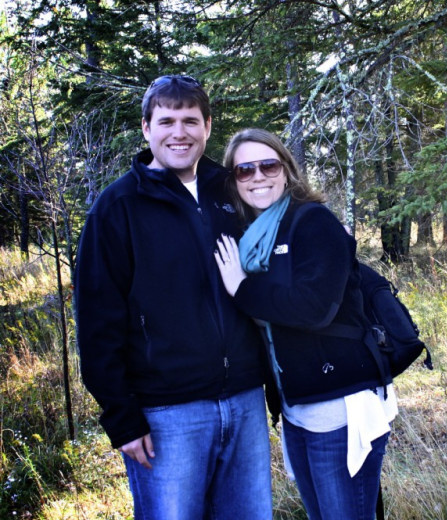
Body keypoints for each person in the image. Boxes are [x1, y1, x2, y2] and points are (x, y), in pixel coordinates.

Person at [74, 76, 273, 519]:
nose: (178, 132)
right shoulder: (117, 208)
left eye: (189, 120)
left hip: (244, 401)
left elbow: (276, 259)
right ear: (146, 128)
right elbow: (95, 321)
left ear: (207, 126)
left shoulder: (233, 191)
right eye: (166, 121)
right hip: (166, 414)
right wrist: (121, 417)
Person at [213, 128, 398, 520]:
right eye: (244, 170)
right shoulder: (253, 238)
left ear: (287, 170)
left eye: (268, 165)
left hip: (340, 408)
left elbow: (315, 308)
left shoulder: (313, 222)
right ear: (233, 181)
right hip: (296, 410)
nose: (258, 176)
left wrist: (241, 289)